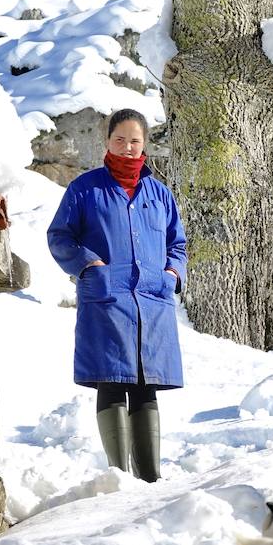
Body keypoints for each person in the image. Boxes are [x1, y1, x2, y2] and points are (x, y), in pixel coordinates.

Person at [47, 109, 187, 482]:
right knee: (112, 379)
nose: (127, 148)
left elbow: (178, 243)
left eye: (135, 141)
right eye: (120, 140)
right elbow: (59, 236)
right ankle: (120, 476)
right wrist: (89, 265)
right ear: (107, 141)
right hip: (107, 300)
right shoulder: (86, 189)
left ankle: (151, 478)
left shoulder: (159, 194)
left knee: (145, 382)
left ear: (145, 145)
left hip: (152, 301)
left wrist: (172, 273)